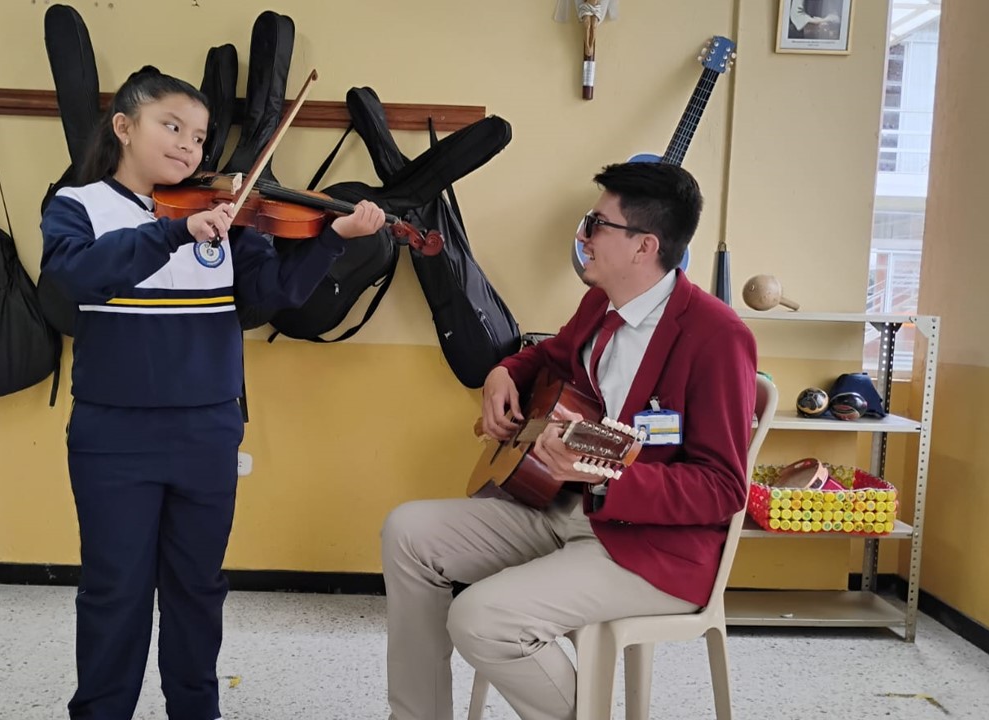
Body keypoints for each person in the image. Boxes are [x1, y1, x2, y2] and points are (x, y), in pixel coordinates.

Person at [40, 66, 385, 720]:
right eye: (172, 127)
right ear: (123, 126)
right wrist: (172, 233)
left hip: (207, 430)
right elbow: (74, 279)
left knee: (198, 589)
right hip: (113, 437)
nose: (188, 148)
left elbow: (269, 298)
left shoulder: (228, 214)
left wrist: (332, 242)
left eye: (198, 138)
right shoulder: (78, 207)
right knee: (115, 590)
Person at [380, 162, 758, 720]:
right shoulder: (600, 302)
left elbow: (723, 488)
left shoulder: (719, 337)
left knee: (480, 619)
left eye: (597, 223)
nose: (582, 236)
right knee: (407, 532)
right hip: (555, 506)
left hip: (650, 548)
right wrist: (503, 371)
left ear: (643, 246)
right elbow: (549, 357)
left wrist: (607, 475)